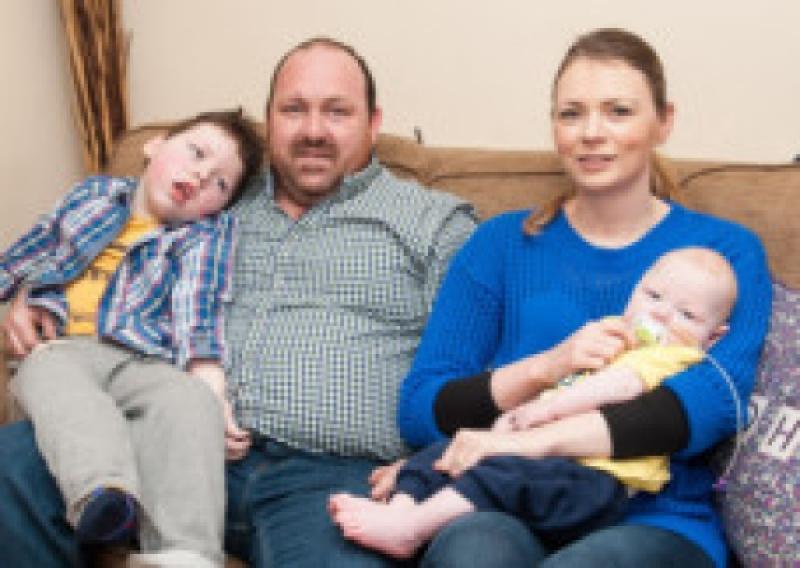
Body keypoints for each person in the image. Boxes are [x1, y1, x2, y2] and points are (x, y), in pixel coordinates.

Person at [0, 38, 478, 568]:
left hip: (330, 479)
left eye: (337, 112)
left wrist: (424, 466)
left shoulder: (434, 223)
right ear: (268, 121)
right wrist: (34, 295)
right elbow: (103, 245)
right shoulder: (211, 196)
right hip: (168, 443)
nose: (313, 131)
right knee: (13, 466)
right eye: (293, 109)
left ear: (373, 122)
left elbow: (474, 372)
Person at [390, 28, 771, 567]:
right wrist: (546, 367)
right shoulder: (500, 245)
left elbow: (711, 405)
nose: (592, 133)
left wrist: (524, 442)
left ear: (663, 122)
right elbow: (422, 409)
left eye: (618, 111)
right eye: (571, 114)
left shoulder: (725, 254)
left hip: (654, 517)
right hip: (504, 498)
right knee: (470, 553)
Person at [330, 246, 739, 559]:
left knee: (501, 476)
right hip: (543, 461)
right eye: (653, 296)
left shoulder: (673, 357)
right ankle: (400, 510)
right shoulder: (614, 336)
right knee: (445, 449)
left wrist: (545, 413)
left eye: (686, 314)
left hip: (597, 482)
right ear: (635, 290)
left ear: (713, 336)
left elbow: (618, 387)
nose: (662, 316)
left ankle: (413, 529)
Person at [0, 108, 264, 567]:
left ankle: (188, 554)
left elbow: (197, 306)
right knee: (52, 375)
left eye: (220, 183)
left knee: (188, 402)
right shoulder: (92, 195)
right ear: (154, 145)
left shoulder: (206, 234)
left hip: (144, 361)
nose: (201, 175)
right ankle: (106, 497)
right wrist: (19, 289)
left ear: (222, 206)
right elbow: (28, 250)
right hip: (62, 349)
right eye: (195, 152)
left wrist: (212, 394)